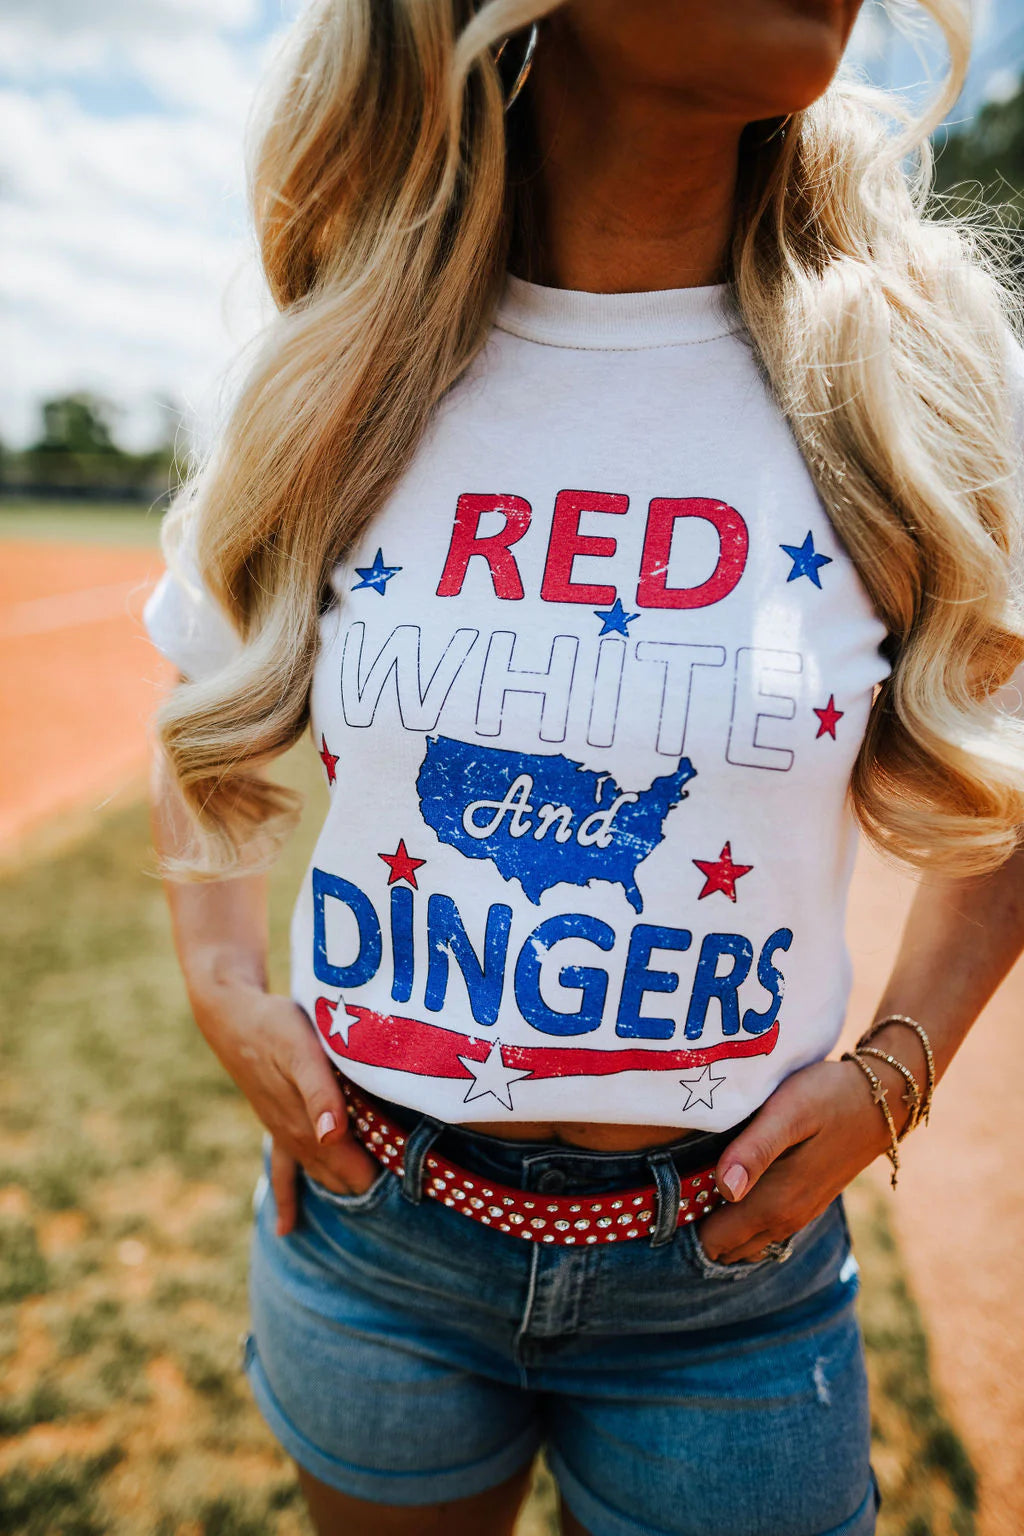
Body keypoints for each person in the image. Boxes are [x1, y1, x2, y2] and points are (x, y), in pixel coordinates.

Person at [143, 3, 1024, 1533]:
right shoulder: (339, 361)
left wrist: (900, 1071)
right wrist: (222, 981)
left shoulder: (910, 364)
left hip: (728, 1285)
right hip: (378, 1242)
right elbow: (198, 685)